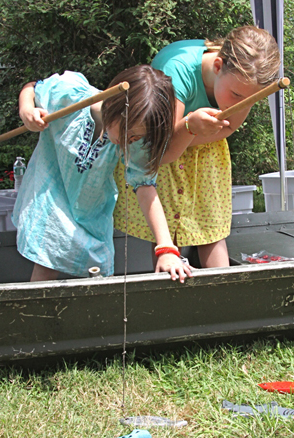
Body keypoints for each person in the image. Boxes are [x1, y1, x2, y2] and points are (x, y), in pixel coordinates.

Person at [113, 26, 281, 268]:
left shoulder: (245, 82)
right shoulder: (177, 70)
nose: (242, 104)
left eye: (250, 100)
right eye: (235, 95)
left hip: (203, 141)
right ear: (217, 66)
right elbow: (165, 147)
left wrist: (194, 131)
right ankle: (170, 291)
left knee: (212, 230)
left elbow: (229, 127)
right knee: (168, 229)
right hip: (165, 146)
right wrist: (191, 128)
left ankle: (221, 293)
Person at [12, 66, 193, 282]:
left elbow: (144, 185)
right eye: (130, 134)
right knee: (46, 265)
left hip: (91, 211)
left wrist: (166, 249)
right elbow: (32, 87)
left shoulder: (135, 136)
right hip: (51, 195)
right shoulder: (69, 94)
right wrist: (26, 110)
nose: (129, 142)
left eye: (136, 138)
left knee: (99, 274)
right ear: (116, 106)